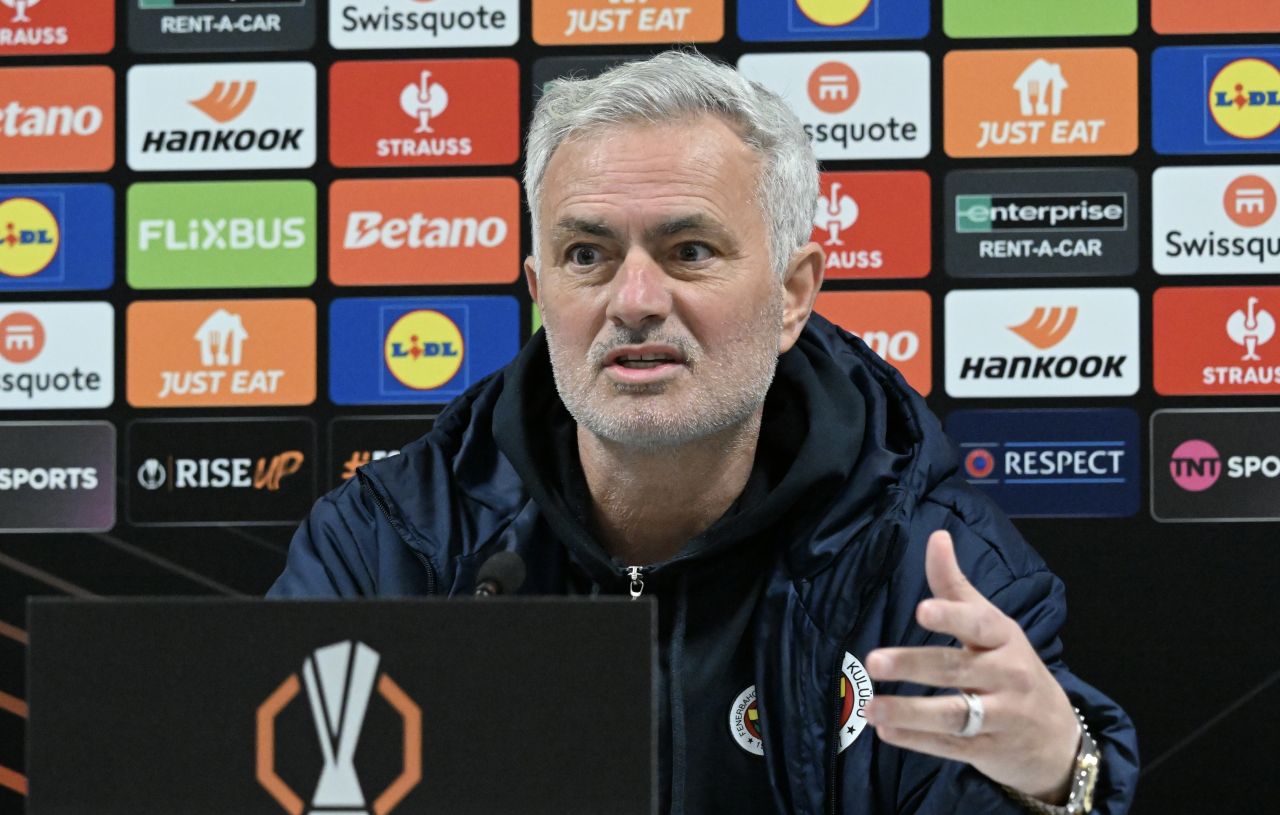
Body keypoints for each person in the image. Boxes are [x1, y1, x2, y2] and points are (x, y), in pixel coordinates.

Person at [270, 51, 1138, 814]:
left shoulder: (930, 569)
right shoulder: (392, 545)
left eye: (689, 250)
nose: (635, 300)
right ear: (539, 289)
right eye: (586, 255)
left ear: (793, 293)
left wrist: (1054, 781)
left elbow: (1028, 780)